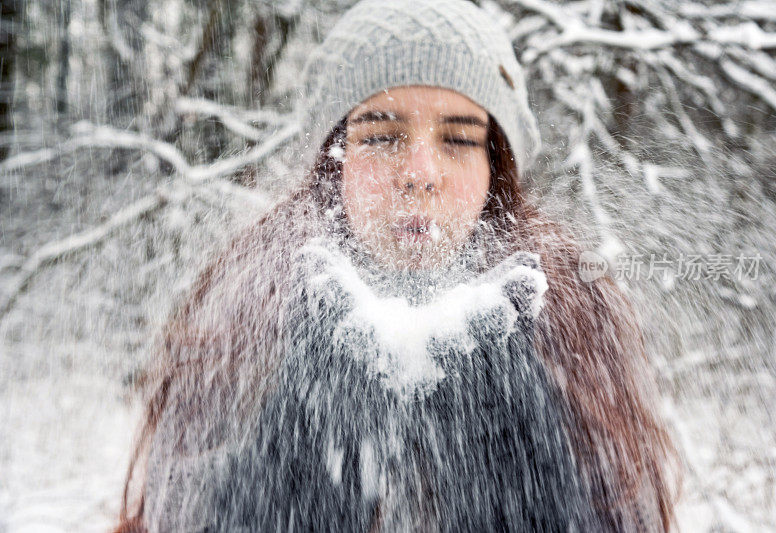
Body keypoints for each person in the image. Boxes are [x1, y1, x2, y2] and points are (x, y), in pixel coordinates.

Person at [115, 0, 679, 531]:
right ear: (332, 162)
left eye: (459, 139)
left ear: (495, 169)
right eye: (382, 134)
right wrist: (299, 464)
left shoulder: (573, 326)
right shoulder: (244, 324)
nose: (420, 171)